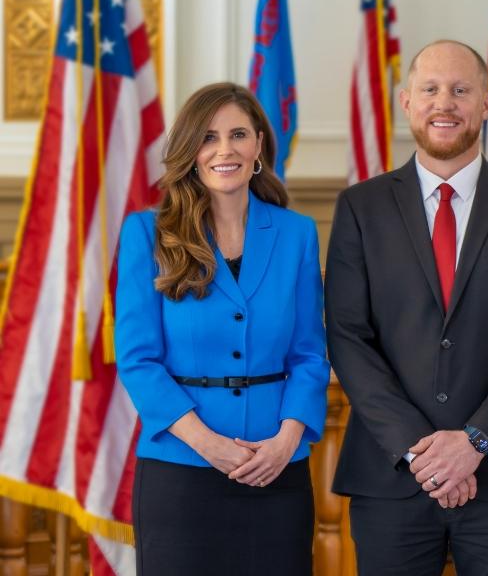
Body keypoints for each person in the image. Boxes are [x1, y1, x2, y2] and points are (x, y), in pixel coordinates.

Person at [325, 40, 488, 576]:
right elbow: (348, 337)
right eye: (431, 89)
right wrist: (420, 450)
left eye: (461, 90)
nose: (446, 102)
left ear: (486, 103)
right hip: (391, 477)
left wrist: (476, 442)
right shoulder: (360, 208)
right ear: (405, 101)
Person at [115, 82, 329, 575]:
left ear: (258, 146)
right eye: (208, 137)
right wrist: (208, 443)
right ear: (191, 151)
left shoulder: (296, 233)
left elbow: (308, 355)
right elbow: (137, 360)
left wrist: (286, 440)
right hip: (181, 470)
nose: (224, 149)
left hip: (276, 468)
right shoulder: (147, 234)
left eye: (238, 134)